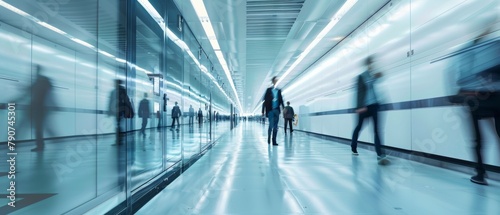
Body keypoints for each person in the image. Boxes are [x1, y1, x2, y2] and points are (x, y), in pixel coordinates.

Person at [451, 31, 500, 185]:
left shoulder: (465, 51)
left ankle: (480, 174)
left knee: (477, 139)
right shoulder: (494, 46)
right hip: (496, 96)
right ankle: (480, 173)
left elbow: (461, 78)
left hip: (475, 99)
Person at [351, 56, 388, 164]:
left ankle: (380, 154)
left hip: (374, 106)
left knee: (376, 130)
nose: (373, 65)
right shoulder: (361, 77)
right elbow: (359, 93)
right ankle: (353, 146)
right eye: (371, 63)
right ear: (367, 64)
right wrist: (358, 107)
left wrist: (379, 75)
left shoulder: (373, 75)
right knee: (359, 128)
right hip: (364, 107)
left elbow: (378, 79)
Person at [29, 65, 53, 152]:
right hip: (38, 107)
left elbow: (49, 92)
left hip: (41, 107)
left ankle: (40, 145)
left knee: (39, 127)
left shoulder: (42, 80)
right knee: (39, 127)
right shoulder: (38, 80)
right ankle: (40, 145)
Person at [108, 79, 134, 145]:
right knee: (118, 125)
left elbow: (126, 100)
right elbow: (111, 102)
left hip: (120, 111)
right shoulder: (115, 91)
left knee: (118, 125)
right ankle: (119, 139)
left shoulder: (120, 91)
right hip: (117, 111)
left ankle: (119, 140)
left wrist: (129, 110)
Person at [262, 76, 285, 145]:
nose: (276, 82)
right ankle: (269, 137)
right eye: (275, 80)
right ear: (273, 81)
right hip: (270, 110)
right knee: (271, 125)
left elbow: (281, 101)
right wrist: (263, 111)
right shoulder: (268, 90)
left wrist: (283, 109)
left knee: (276, 126)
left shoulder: (279, 90)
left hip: (277, 110)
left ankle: (274, 141)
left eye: (277, 81)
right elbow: (265, 101)